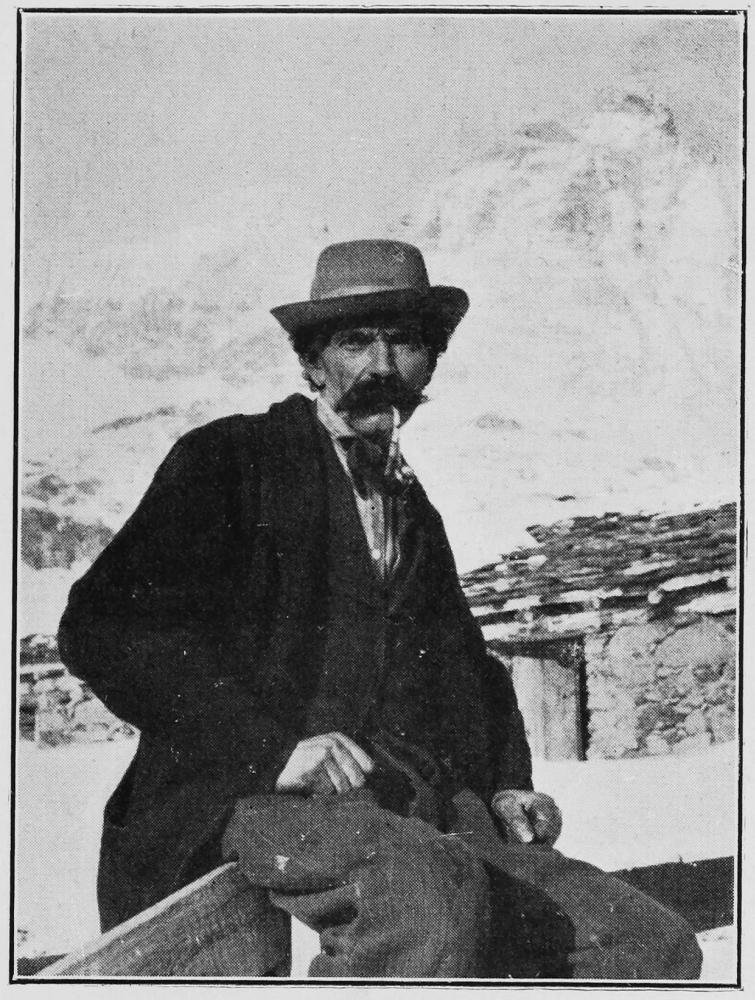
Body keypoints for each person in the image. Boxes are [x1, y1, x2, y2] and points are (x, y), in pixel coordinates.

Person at [58, 240, 702, 980]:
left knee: (644, 943)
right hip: (244, 793)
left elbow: (466, 665)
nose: (382, 365)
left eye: (405, 343)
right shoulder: (231, 460)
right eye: (355, 341)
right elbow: (102, 628)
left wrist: (506, 780)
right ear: (311, 364)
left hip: (406, 806)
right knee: (422, 900)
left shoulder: (407, 505)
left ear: (432, 364)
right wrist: (272, 749)